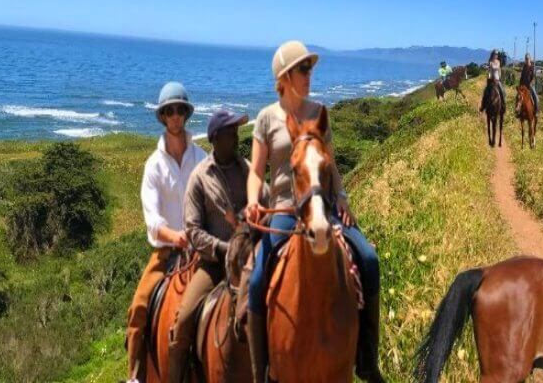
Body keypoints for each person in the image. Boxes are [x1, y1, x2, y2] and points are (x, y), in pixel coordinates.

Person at [243, 41, 383, 383]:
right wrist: (252, 200)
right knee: (258, 280)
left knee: (368, 257)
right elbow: (256, 172)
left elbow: (329, 164)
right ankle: (263, 371)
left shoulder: (320, 112)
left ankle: (366, 358)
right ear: (284, 76)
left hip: (324, 205)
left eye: (310, 69)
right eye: (303, 69)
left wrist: (343, 198)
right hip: (284, 211)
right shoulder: (266, 118)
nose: (309, 75)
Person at [126, 81, 208, 383]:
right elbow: (153, 221)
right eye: (169, 111)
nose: (175, 116)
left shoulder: (202, 158)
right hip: (167, 252)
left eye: (179, 110)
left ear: (186, 115)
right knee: (139, 308)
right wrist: (178, 237)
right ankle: (135, 375)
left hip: (200, 250)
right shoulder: (154, 166)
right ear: (163, 117)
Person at [166, 108, 250, 383]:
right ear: (215, 138)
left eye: (236, 132)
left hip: (249, 264)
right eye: (230, 133)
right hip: (213, 266)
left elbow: (263, 209)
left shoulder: (249, 170)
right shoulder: (199, 177)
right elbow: (193, 230)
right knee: (182, 325)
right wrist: (225, 249)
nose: (236, 137)